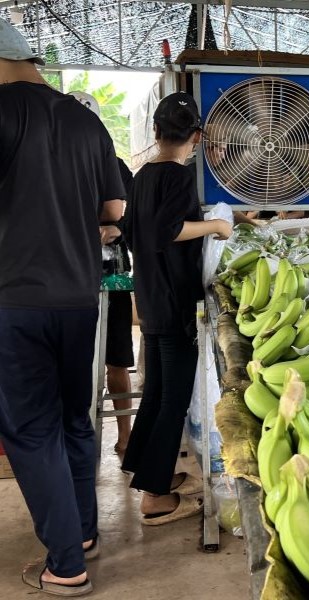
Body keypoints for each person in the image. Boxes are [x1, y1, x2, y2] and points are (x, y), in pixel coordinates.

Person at [0, 19, 124, 596]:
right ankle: (85, 532)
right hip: (80, 297)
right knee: (78, 419)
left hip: (13, 300)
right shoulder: (85, 119)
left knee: (30, 430)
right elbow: (115, 208)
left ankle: (66, 564)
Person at [121, 92, 232, 525]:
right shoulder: (179, 177)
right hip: (173, 302)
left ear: (155, 131)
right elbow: (168, 229)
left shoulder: (142, 175)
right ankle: (153, 497)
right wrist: (216, 226)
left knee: (157, 391)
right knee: (173, 398)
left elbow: (133, 231)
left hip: (149, 297)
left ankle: (149, 472)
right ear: (198, 136)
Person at [70, 91, 134, 456]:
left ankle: (125, 436)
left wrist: (116, 228)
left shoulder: (118, 167)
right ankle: (79, 438)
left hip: (113, 275)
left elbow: (133, 218)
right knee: (75, 361)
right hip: (70, 276)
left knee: (116, 358)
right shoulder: (52, 167)